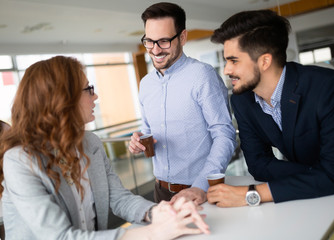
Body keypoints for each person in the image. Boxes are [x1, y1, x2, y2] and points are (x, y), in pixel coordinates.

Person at [0, 56, 210, 239]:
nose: (95, 96)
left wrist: (157, 212)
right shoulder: (20, 160)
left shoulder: (91, 143)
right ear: (63, 99)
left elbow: (118, 197)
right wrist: (152, 233)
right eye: (88, 89)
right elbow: (59, 236)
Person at [207, 10, 334, 207]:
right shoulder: (242, 100)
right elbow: (258, 165)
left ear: (264, 61)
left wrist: (252, 194)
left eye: (233, 60)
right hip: (312, 195)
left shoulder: (329, 86)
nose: (227, 70)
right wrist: (329, 174)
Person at [128, 2, 236, 204]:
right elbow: (148, 130)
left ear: (183, 37)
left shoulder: (202, 75)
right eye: (149, 41)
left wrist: (200, 187)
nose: (155, 50)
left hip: (199, 191)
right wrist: (139, 141)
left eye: (164, 41)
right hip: (159, 191)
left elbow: (224, 134)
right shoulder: (146, 84)